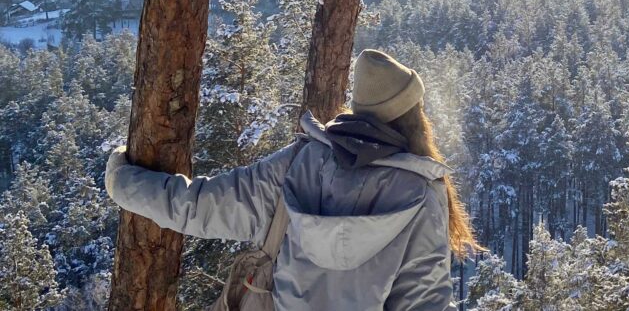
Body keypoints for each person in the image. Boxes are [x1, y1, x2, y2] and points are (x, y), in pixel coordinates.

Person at [105, 49, 479, 310]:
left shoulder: (297, 164)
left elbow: (196, 206)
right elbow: (423, 302)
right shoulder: (422, 194)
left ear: (360, 107)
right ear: (417, 117)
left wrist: (123, 181)